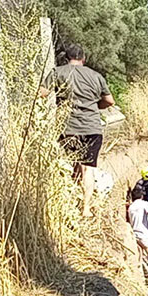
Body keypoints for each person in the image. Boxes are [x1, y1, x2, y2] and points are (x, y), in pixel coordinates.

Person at [43, 44, 114, 217]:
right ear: (84, 58)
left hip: (68, 128)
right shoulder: (96, 76)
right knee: (88, 168)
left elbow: (41, 93)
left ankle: (68, 203)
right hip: (92, 128)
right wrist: (95, 106)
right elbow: (109, 101)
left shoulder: (57, 72)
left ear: (66, 58)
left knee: (70, 164)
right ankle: (86, 208)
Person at [127, 186, 148, 281]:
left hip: (135, 234)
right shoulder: (144, 204)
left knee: (141, 257)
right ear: (141, 196)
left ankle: (143, 277)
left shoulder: (131, 207)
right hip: (145, 234)